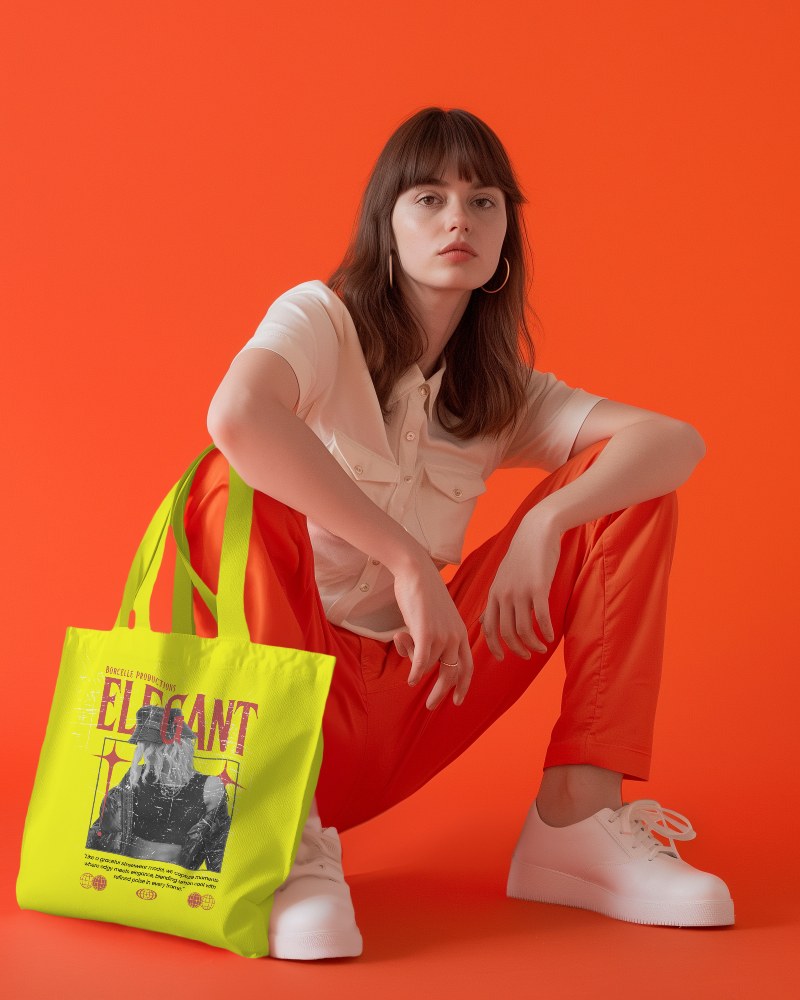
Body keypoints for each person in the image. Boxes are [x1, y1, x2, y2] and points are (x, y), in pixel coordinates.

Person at [186, 106, 734, 960]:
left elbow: (676, 441)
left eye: (483, 201)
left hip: (415, 692)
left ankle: (577, 822)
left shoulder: (496, 390)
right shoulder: (319, 322)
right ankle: (277, 838)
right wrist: (405, 559)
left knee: (626, 490)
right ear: (386, 224)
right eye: (429, 198)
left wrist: (546, 520)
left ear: (507, 233)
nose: (458, 219)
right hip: (275, 711)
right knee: (228, 485)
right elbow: (238, 414)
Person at [87, 705, 231, 872]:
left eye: (152, 747)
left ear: (178, 747)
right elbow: (105, 828)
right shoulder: (136, 775)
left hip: (172, 880)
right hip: (124, 872)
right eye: (144, 747)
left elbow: (217, 847)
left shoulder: (210, 786)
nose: (147, 754)